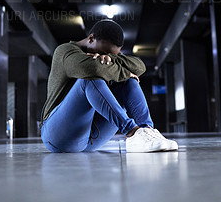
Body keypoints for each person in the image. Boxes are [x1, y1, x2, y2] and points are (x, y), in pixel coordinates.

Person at [40, 19, 178, 153]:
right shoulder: (65, 51)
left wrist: (113, 59)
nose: (103, 57)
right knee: (89, 80)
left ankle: (146, 131)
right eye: (103, 53)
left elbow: (140, 67)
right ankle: (132, 132)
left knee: (128, 82)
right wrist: (124, 71)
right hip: (57, 136)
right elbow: (90, 69)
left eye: (109, 55)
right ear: (91, 38)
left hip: (92, 139)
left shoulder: (107, 56)